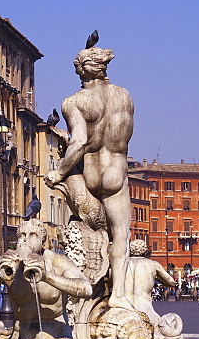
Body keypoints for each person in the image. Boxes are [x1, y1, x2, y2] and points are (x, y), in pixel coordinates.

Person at [45, 42, 135, 310]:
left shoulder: (75, 102)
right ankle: (117, 294)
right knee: (120, 236)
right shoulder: (125, 97)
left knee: (84, 227)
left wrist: (59, 172)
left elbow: (80, 141)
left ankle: (83, 289)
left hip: (90, 175)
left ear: (80, 72)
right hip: (116, 172)